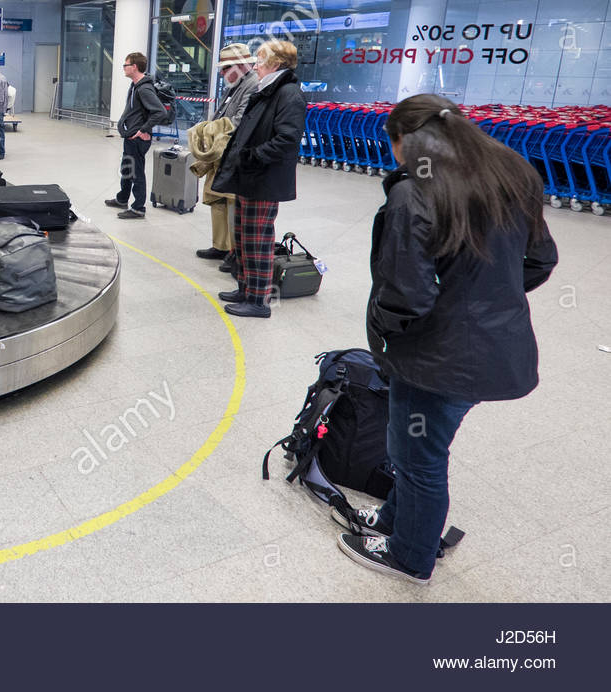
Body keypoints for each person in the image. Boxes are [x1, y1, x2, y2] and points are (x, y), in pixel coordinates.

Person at [335, 93, 558, 584]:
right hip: (493, 351)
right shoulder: (513, 174)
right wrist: (484, 297)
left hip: (435, 359)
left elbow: (406, 296)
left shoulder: (414, 193)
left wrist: (388, 337)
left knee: (419, 459)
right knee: (419, 447)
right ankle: (398, 519)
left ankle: (409, 555)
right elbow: (540, 261)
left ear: (404, 141)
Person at [210, 39, 306, 316]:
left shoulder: (288, 94)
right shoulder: (268, 89)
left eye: (261, 61)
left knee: (259, 241)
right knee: (243, 237)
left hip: (263, 178)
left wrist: (252, 156)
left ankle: (259, 300)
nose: (256, 66)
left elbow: (288, 140)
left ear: (276, 63)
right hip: (249, 176)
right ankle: (245, 288)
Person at [195, 43, 258, 262]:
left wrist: (212, 128)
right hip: (220, 153)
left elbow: (241, 120)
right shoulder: (234, 84)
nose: (222, 73)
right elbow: (222, 112)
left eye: (226, 68)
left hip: (234, 153)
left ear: (241, 65)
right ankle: (220, 245)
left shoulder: (253, 84)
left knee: (232, 203)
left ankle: (234, 251)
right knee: (217, 199)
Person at [105, 52, 167, 220]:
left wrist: (144, 130)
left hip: (138, 138)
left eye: (126, 65)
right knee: (127, 168)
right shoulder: (135, 85)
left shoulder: (144, 88)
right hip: (131, 136)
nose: (123, 68)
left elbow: (159, 112)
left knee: (136, 172)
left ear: (134, 67)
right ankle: (122, 198)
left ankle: (138, 208)